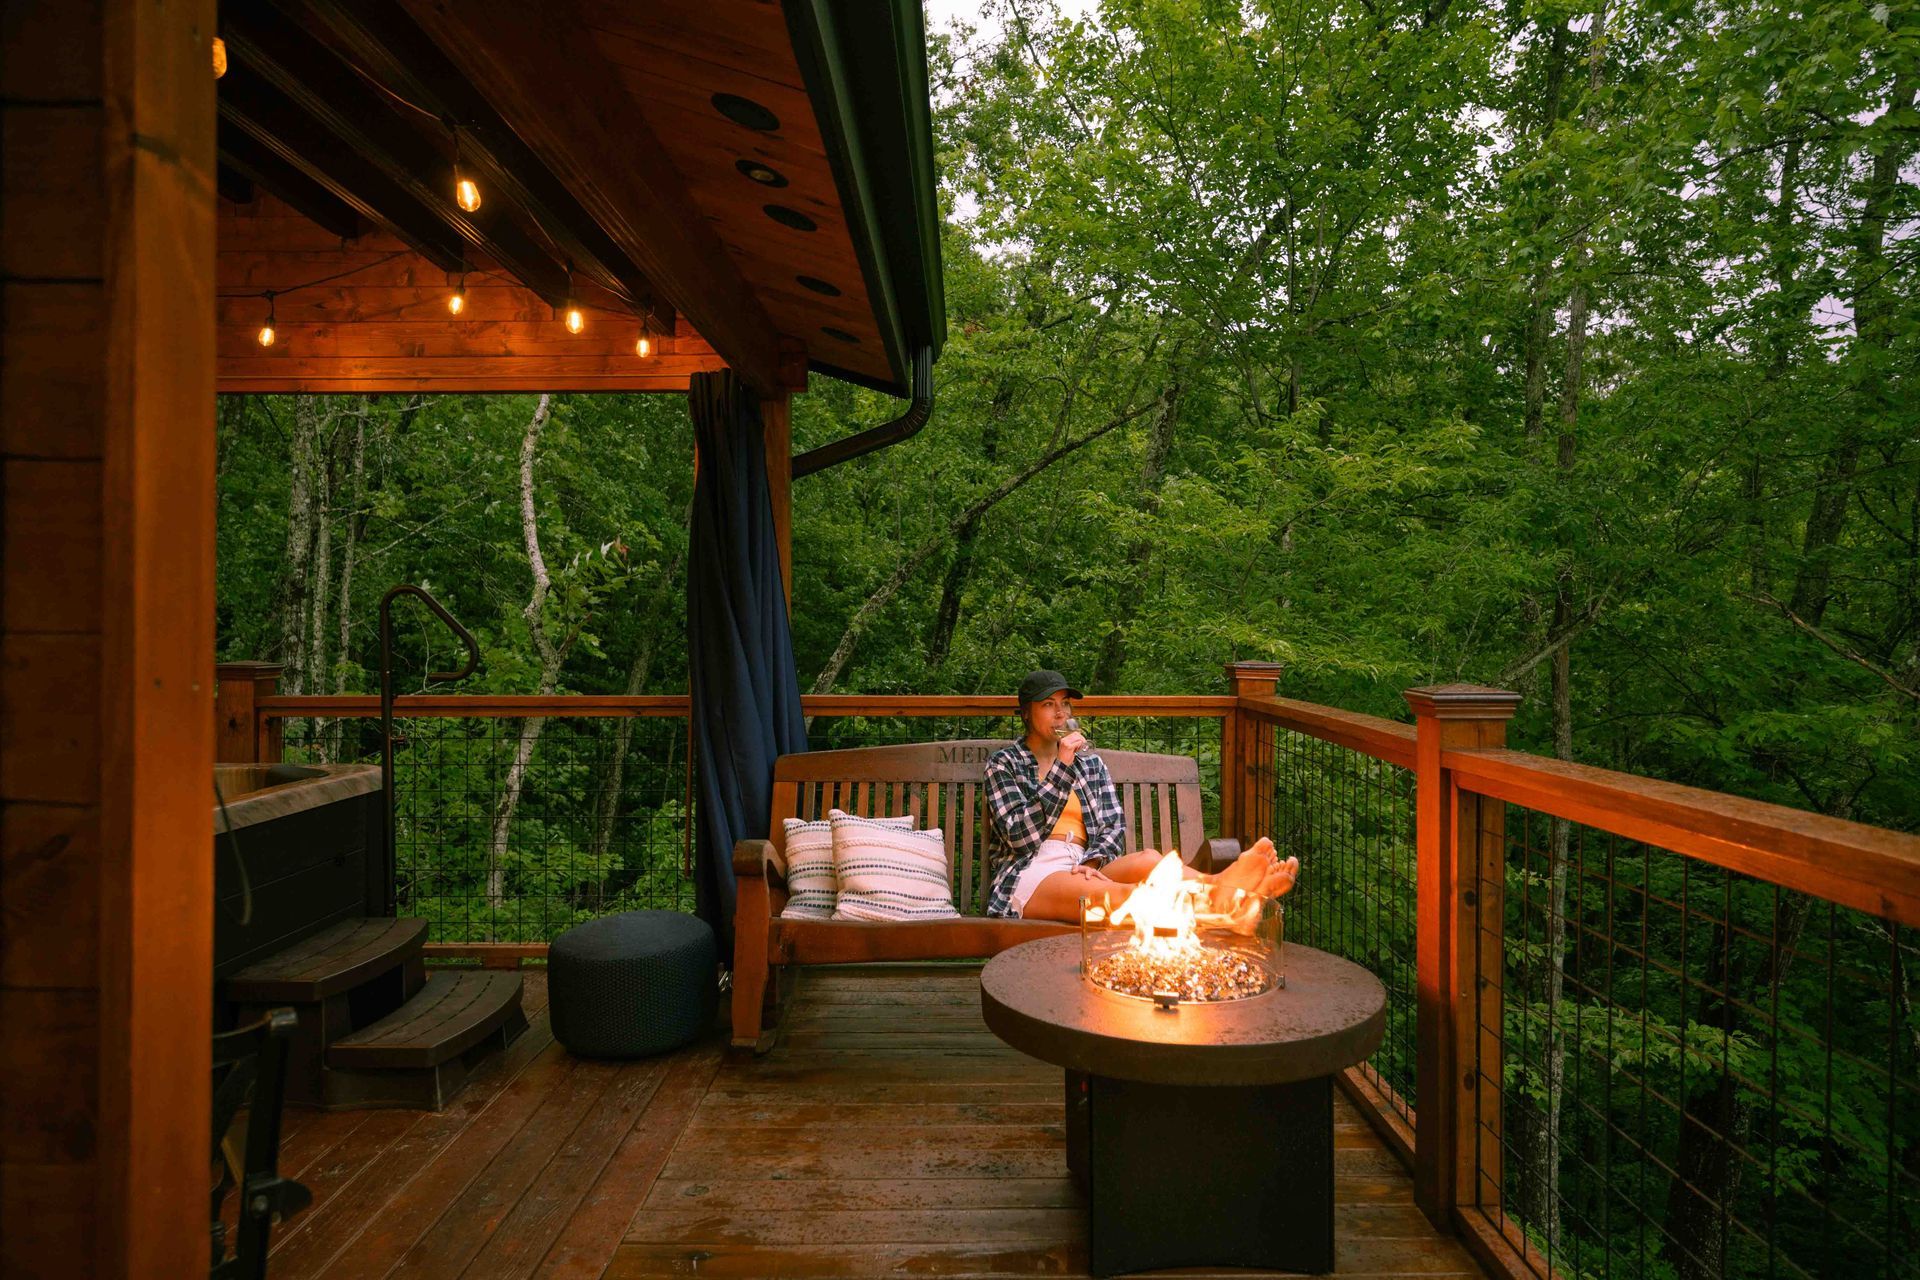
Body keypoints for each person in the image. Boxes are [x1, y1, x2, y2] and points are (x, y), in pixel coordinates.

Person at [983, 670, 1299, 921]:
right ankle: (1227, 901)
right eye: (1048, 705)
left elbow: (1112, 827)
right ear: (1025, 713)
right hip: (1029, 870)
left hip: (1081, 863)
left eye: (1064, 704)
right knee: (1122, 897)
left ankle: (1225, 886)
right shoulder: (1004, 765)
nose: (1060, 714)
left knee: (1148, 859)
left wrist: (1092, 860)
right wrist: (1063, 766)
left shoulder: (1090, 764)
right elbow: (1020, 838)